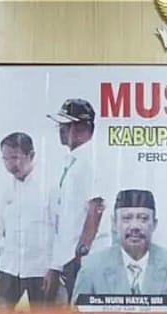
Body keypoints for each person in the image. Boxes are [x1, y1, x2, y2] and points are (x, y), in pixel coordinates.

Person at [72, 189, 167, 302]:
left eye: (143, 219)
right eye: (127, 218)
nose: (135, 226)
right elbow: (76, 313)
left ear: (154, 224)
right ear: (114, 223)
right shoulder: (92, 267)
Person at [0, 132, 51, 309]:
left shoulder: (49, 186)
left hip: (42, 269)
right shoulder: (2, 189)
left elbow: (61, 229)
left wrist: (57, 268)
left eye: (15, 158)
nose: (11, 164)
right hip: (9, 267)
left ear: (31, 155)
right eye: (6, 159)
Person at [46, 98, 105, 303]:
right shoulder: (73, 161)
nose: (61, 130)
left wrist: (81, 253)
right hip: (70, 258)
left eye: (66, 125)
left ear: (82, 128)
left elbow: (96, 208)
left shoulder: (90, 160)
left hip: (83, 258)